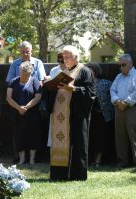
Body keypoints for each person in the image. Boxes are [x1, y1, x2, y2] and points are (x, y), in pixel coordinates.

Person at [44, 45, 96, 180]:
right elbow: (56, 90)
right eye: (63, 57)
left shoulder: (85, 71)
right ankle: (59, 174)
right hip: (60, 115)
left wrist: (73, 89)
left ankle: (77, 175)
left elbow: (90, 93)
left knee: (77, 144)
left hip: (75, 114)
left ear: (76, 57)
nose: (65, 60)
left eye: (67, 57)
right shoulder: (63, 72)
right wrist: (49, 86)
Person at [6, 41, 46, 163]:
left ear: (31, 51)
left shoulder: (38, 63)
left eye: (27, 51)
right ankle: (22, 159)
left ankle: (33, 159)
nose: (25, 54)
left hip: (33, 108)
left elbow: (42, 81)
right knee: (19, 134)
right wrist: (19, 108)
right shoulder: (15, 65)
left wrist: (26, 107)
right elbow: (9, 82)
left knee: (34, 133)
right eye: (23, 52)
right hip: (17, 109)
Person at [86, 63, 115, 168]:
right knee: (91, 138)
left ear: (95, 71)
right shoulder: (84, 84)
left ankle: (98, 160)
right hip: (88, 116)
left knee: (101, 138)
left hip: (102, 116)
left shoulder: (106, 83)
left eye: (90, 70)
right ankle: (92, 159)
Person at [110, 53, 136, 168]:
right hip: (118, 108)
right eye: (119, 65)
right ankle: (122, 161)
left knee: (133, 134)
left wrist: (126, 102)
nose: (121, 67)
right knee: (119, 136)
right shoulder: (118, 77)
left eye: (123, 64)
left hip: (131, 108)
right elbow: (112, 90)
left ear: (130, 64)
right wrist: (116, 101)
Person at [47, 52, 66, 147]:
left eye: (63, 61)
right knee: (54, 125)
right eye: (59, 61)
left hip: (66, 102)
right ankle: (54, 149)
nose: (61, 63)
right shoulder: (54, 70)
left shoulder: (71, 70)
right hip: (55, 100)